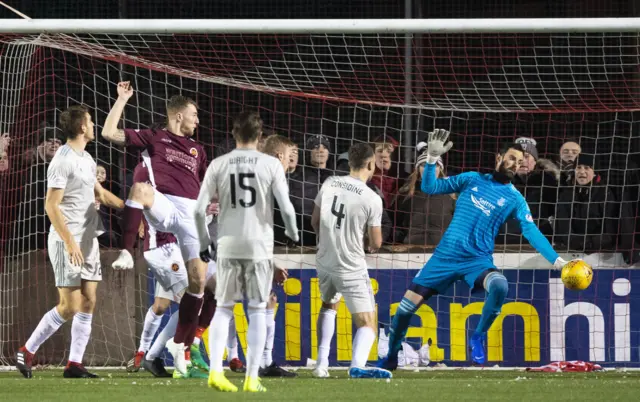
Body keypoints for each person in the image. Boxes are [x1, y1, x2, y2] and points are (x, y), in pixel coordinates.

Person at [378, 129, 581, 369]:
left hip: (477, 261)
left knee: (500, 285)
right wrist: (432, 160)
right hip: (444, 258)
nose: (515, 164)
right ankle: (391, 357)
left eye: (519, 161)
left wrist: (556, 260)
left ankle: (478, 336)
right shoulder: (471, 179)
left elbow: (531, 231)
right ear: (499, 158)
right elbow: (431, 187)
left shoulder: (515, 199)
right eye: (511, 158)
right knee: (404, 311)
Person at [102, 81, 209, 376]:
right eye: (194, 115)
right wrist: (122, 99)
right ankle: (125, 250)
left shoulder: (198, 150)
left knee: (199, 284)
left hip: (189, 216)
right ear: (178, 115)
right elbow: (109, 133)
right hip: (163, 212)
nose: (197, 120)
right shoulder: (155, 138)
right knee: (139, 189)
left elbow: (200, 187)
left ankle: (180, 346)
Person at [15, 105, 124, 379]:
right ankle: (27, 350)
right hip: (68, 240)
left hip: (89, 238)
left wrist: (133, 206)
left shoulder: (86, 158)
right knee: (70, 305)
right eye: (89, 120)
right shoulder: (62, 160)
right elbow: (51, 206)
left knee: (89, 300)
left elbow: (99, 193)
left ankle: (74, 364)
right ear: (81, 128)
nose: (93, 124)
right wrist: (70, 242)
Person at [194, 110, 299, 393]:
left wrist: (204, 242)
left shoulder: (218, 163)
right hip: (258, 245)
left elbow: (197, 209)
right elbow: (286, 207)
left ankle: (216, 371)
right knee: (257, 307)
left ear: (233, 133)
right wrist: (292, 230)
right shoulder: (270, 164)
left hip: (227, 243)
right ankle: (252, 377)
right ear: (260, 136)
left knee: (224, 308)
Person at [311, 143, 391, 379]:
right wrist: (368, 243)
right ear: (370, 164)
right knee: (367, 322)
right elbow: (375, 242)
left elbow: (315, 221)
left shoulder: (329, 183)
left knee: (328, 306)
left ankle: (320, 365)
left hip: (325, 261)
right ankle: (357, 366)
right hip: (351, 265)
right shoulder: (372, 198)